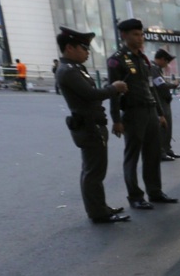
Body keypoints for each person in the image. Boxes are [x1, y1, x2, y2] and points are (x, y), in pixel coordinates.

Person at [54, 26, 131, 224]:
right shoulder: (68, 71)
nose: (87, 52)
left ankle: (99, 206)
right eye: (83, 47)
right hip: (88, 126)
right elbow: (90, 95)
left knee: (94, 170)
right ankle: (98, 212)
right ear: (69, 48)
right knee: (93, 172)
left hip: (93, 124)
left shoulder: (76, 68)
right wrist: (113, 88)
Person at [107, 18, 179, 209]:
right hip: (132, 113)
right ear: (124, 35)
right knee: (132, 156)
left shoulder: (144, 59)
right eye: (135, 35)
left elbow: (151, 88)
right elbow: (113, 92)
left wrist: (160, 113)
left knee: (153, 154)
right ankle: (135, 196)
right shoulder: (116, 60)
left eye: (141, 35)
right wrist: (116, 120)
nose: (140, 39)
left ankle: (155, 191)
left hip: (149, 111)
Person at [151, 48, 180, 161]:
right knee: (162, 127)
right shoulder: (153, 68)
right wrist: (173, 85)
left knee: (167, 126)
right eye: (167, 61)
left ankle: (167, 149)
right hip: (160, 101)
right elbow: (161, 85)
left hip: (163, 101)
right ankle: (161, 151)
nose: (167, 64)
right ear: (162, 59)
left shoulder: (156, 68)